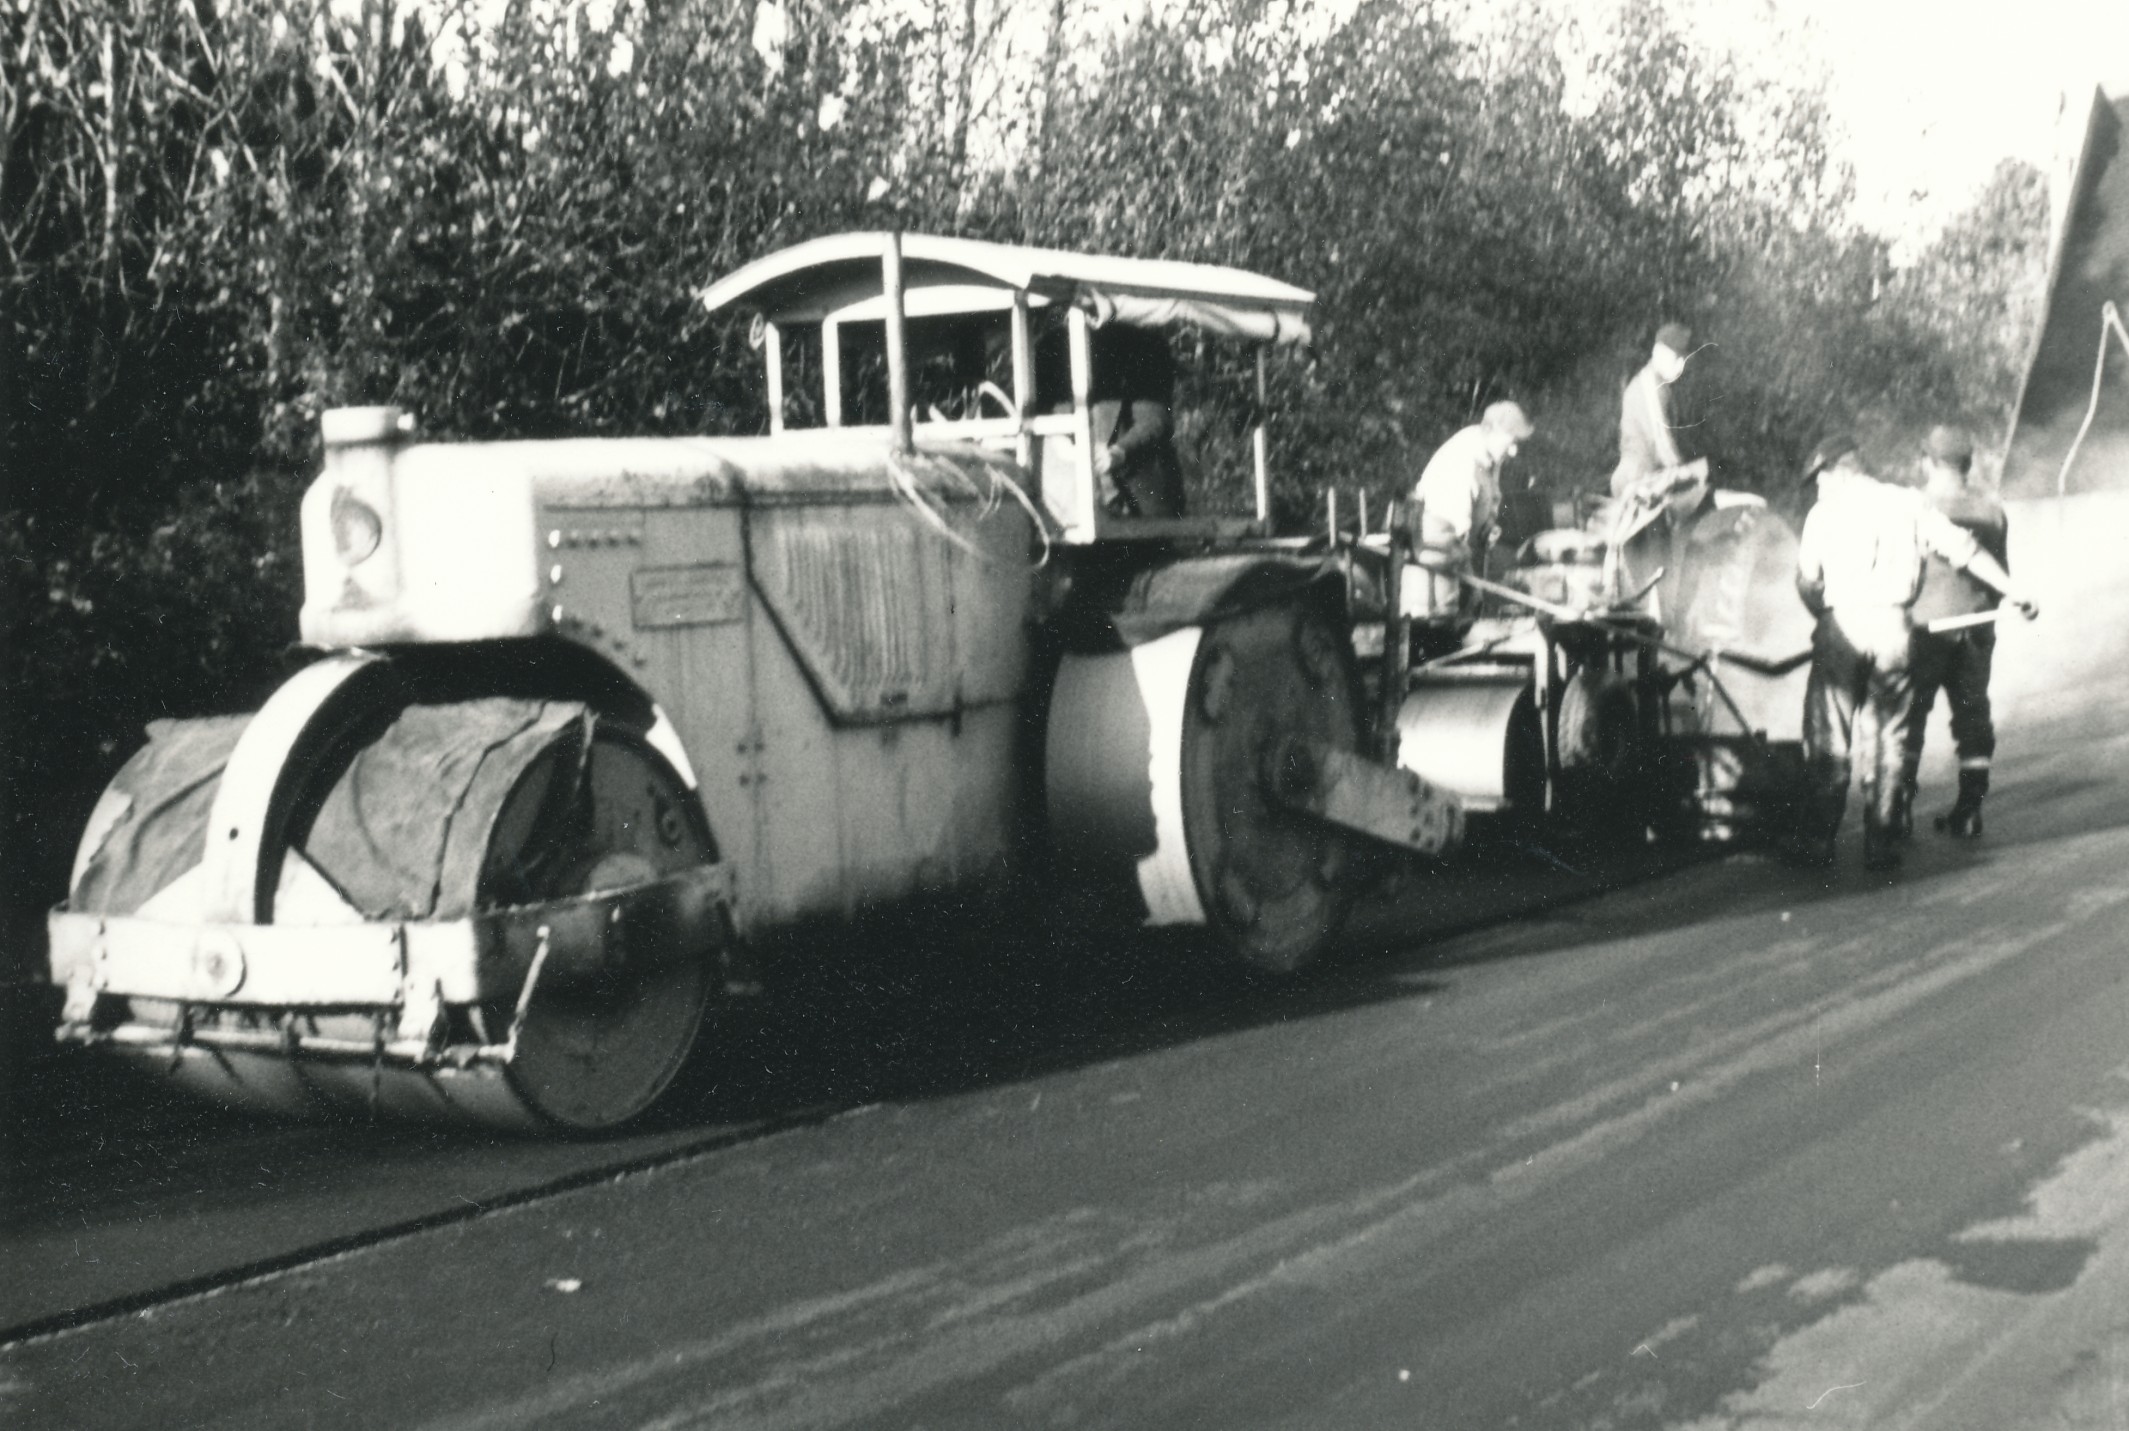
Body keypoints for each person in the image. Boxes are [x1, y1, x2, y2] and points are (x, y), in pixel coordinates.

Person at [1791, 435, 2036, 871]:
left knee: (1829, 734)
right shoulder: (1907, 503)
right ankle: (1881, 843)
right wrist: (2013, 590)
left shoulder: (1823, 513)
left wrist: (1824, 620)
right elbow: (1964, 550)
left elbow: (1809, 580)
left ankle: (1817, 842)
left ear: (1841, 469)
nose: (1818, 487)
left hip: (1841, 623)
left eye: (1820, 477)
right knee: (1889, 736)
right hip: (1895, 627)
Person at [1897, 424, 2011, 838]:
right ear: (1969, 463)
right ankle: (1969, 810)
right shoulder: (1992, 509)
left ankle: (1899, 809)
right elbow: (2001, 573)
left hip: (1925, 629)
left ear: (1925, 460)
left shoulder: (1914, 506)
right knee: (1973, 717)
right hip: (1976, 627)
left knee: (1909, 718)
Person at [1407, 400, 1536, 615]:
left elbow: (1493, 495)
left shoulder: (1490, 454)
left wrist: (1489, 524)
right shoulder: (1464, 461)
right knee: (1469, 605)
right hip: (1438, 550)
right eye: (1510, 442)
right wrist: (1473, 590)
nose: (1513, 451)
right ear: (1491, 430)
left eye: (1517, 443)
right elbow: (1456, 534)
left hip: (1462, 548)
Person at [1088, 324, 1185, 519]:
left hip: (1143, 503)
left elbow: (1155, 421)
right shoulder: (1070, 345)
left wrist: (1118, 452)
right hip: (1090, 504)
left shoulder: (1145, 344)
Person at [1611, 322, 1707, 507]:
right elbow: (1662, 445)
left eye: (1683, 360)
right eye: (1677, 358)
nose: (1681, 367)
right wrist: (1688, 472)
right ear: (1658, 352)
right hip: (1637, 478)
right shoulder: (1649, 387)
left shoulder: (1658, 385)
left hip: (1648, 474)